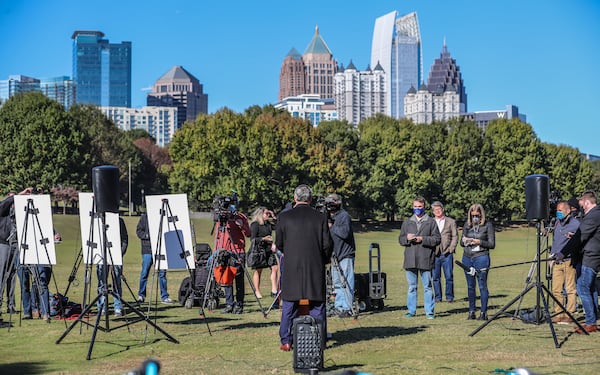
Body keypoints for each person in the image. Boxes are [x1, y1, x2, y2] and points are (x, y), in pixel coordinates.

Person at [275, 184, 332, 351]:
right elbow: (327, 244)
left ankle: (286, 340)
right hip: (315, 266)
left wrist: (291, 254)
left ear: (295, 198)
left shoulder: (284, 217)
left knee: (289, 305)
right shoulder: (320, 217)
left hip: (292, 266)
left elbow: (279, 243)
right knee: (317, 306)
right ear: (311, 199)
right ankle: (319, 340)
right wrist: (323, 259)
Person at [562, 191, 600, 333]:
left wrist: (562, 253)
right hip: (587, 256)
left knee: (582, 287)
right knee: (590, 288)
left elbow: (581, 236)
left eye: (582, 203)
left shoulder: (594, 214)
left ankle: (590, 322)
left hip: (591, 257)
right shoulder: (593, 214)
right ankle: (593, 318)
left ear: (587, 202)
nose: (581, 207)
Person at [399, 196, 441, 319]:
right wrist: (407, 238)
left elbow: (437, 239)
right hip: (410, 259)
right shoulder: (407, 222)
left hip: (425, 258)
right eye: (415, 206)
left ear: (424, 207)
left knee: (427, 287)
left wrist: (423, 239)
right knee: (412, 287)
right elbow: (401, 239)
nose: (417, 209)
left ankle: (429, 312)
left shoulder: (431, 222)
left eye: (420, 207)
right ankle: (411, 311)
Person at [214, 202, 251, 314]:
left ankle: (239, 305)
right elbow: (218, 235)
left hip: (238, 251)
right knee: (226, 279)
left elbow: (248, 233)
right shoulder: (221, 219)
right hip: (224, 251)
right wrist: (217, 250)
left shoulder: (240, 217)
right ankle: (229, 304)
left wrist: (241, 225)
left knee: (239, 279)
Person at [460, 203, 495, 321]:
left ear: (481, 215)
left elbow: (491, 244)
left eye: (477, 215)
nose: (475, 217)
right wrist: (466, 241)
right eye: (473, 215)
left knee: (482, 285)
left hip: (481, 257)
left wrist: (479, 241)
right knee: (470, 286)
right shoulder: (467, 225)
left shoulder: (488, 225)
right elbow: (461, 242)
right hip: (467, 257)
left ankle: (483, 312)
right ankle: (471, 311)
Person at [548, 201, 580, 324]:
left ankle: (569, 314)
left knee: (570, 289)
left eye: (561, 210)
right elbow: (556, 242)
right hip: (556, 261)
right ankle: (558, 313)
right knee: (556, 290)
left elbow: (577, 243)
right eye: (557, 210)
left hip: (569, 261)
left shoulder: (576, 224)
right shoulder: (557, 223)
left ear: (568, 211)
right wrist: (552, 257)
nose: (558, 212)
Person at [326, 193, 356, 318]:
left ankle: (347, 307)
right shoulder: (329, 217)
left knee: (347, 282)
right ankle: (339, 306)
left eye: (332, 202)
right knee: (337, 282)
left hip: (345, 254)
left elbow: (345, 233)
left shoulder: (344, 216)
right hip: (335, 254)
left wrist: (332, 227)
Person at [137, 213, 173, 304]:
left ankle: (164, 296)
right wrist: (147, 236)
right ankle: (141, 295)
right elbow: (138, 231)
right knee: (144, 273)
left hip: (161, 249)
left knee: (162, 274)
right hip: (147, 249)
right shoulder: (144, 217)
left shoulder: (163, 217)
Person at [97, 217, 128, 316]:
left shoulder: (119, 221)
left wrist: (120, 254)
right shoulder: (98, 220)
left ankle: (117, 307)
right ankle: (102, 307)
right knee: (102, 282)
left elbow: (124, 239)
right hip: (101, 257)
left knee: (116, 282)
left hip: (116, 257)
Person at [431, 201, 458, 304]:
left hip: (447, 254)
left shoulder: (451, 221)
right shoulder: (431, 222)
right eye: (435, 210)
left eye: (439, 209)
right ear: (433, 212)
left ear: (443, 209)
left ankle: (449, 297)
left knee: (449, 276)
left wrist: (451, 249)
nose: (437, 211)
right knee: (435, 277)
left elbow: (455, 236)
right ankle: (438, 297)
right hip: (435, 254)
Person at [249, 207, 278, 300]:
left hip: (269, 249)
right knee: (259, 270)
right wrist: (263, 239)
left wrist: (274, 216)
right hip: (259, 250)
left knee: (275, 268)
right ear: (261, 214)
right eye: (266, 214)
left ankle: (274, 290)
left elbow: (278, 226)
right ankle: (257, 290)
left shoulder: (268, 224)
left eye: (268, 214)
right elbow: (252, 239)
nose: (268, 215)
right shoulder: (255, 224)